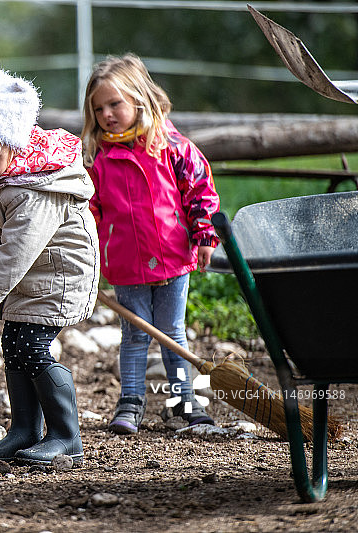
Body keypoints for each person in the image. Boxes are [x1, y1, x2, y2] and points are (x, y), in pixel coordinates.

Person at [0, 65, 99, 466]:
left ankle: (66, 437)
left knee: (31, 347)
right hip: (30, 278)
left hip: (57, 277)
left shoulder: (38, 189)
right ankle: (24, 431)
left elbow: (17, 250)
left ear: (16, 147)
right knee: (14, 347)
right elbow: (4, 223)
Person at [81, 53, 219, 435]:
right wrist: (88, 248)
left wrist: (204, 234)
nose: (107, 114)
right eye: (99, 108)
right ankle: (131, 402)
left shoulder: (170, 145)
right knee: (135, 334)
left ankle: (184, 399)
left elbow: (199, 190)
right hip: (126, 263)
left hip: (172, 256)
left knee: (172, 331)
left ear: (140, 99)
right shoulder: (96, 157)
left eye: (115, 104)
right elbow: (88, 209)